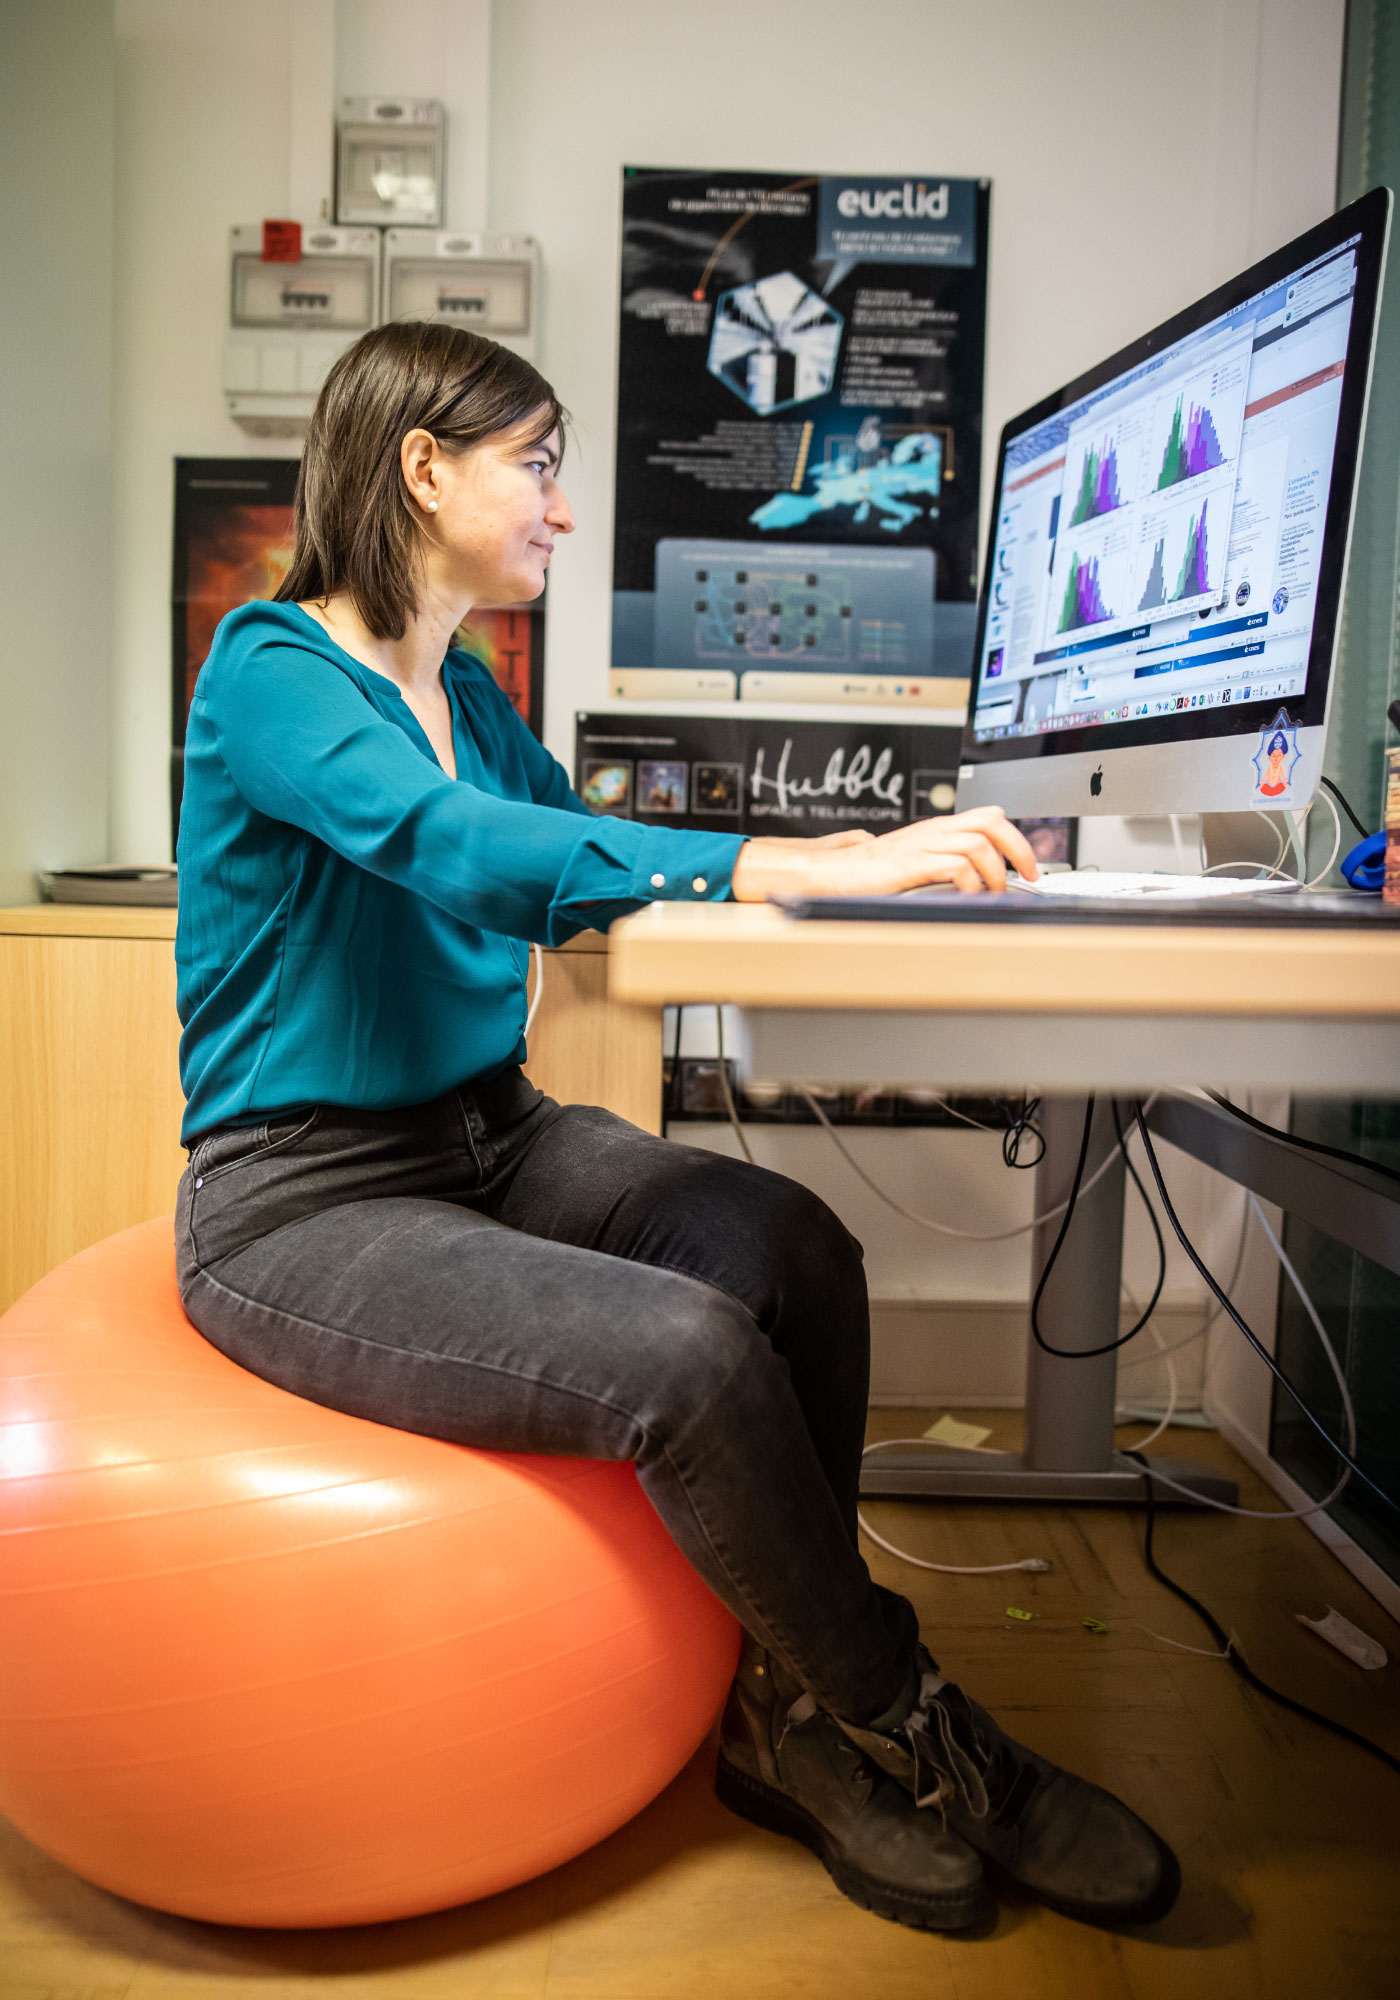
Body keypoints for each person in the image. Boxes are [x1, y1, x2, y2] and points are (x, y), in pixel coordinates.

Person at [174, 322, 1179, 1937]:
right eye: (541, 466)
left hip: (483, 1137)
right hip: (298, 1199)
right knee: (691, 1356)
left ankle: (785, 1723)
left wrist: (820, 847)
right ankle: (925, 1739)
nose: (565, 510)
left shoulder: (469, 692)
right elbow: (453, 846)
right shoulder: (272, 671)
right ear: (424, 469)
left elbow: (570, 836)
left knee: (796, 1244)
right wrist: (788, 871)